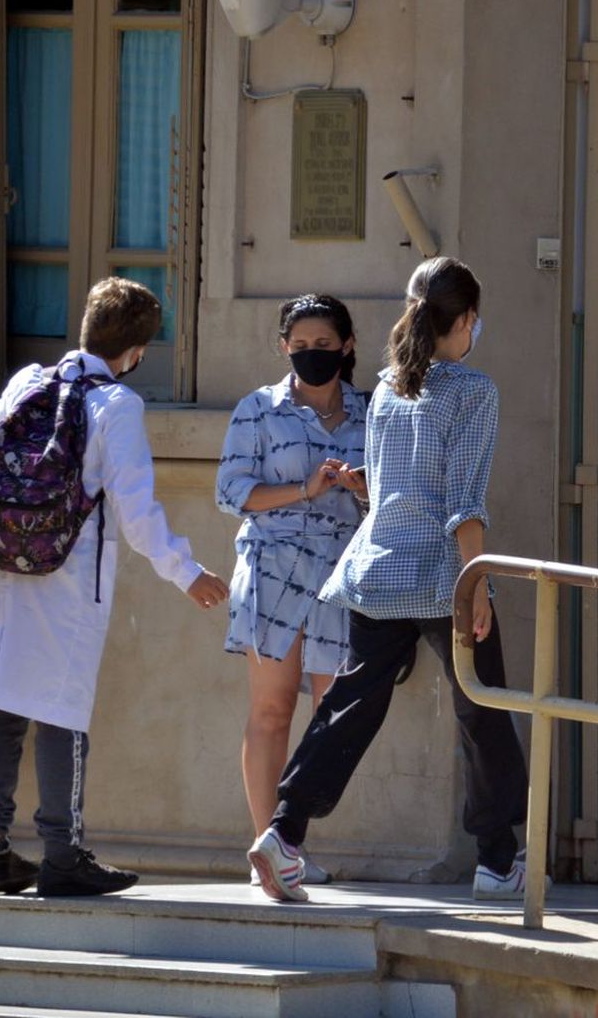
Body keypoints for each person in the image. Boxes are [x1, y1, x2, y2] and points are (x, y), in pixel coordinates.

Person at [0, 277, 230, 897]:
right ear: (137, 351)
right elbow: (136, 511)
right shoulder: (117, 405)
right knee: (61, 713)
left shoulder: (25, 383)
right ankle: (63, 854)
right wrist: (187, 572)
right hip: (63, 575)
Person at [245, 256, 531, 904]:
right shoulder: (473, 392)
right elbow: (464, 502)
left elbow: (386, 495)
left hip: (377, 572)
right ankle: (497, 856)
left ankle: (284, 832)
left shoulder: (386, 390)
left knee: (350, 704)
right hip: (440, 575)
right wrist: (477, 582)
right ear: (464, 321)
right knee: (482, 707)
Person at [216, 294, 368, 885]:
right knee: (271, 708)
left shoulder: (370, 410)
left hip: (339, 569)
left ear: (347, 346)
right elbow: (231, 491)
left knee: (330, 715)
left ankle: (290, 839)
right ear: (284, 348)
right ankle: (265, 849)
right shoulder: (258, 409)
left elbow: (391, 498)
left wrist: (359, 487)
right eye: (300, 346)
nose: (311, 356)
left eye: (324, 346)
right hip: (272, 566)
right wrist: (304, 490)